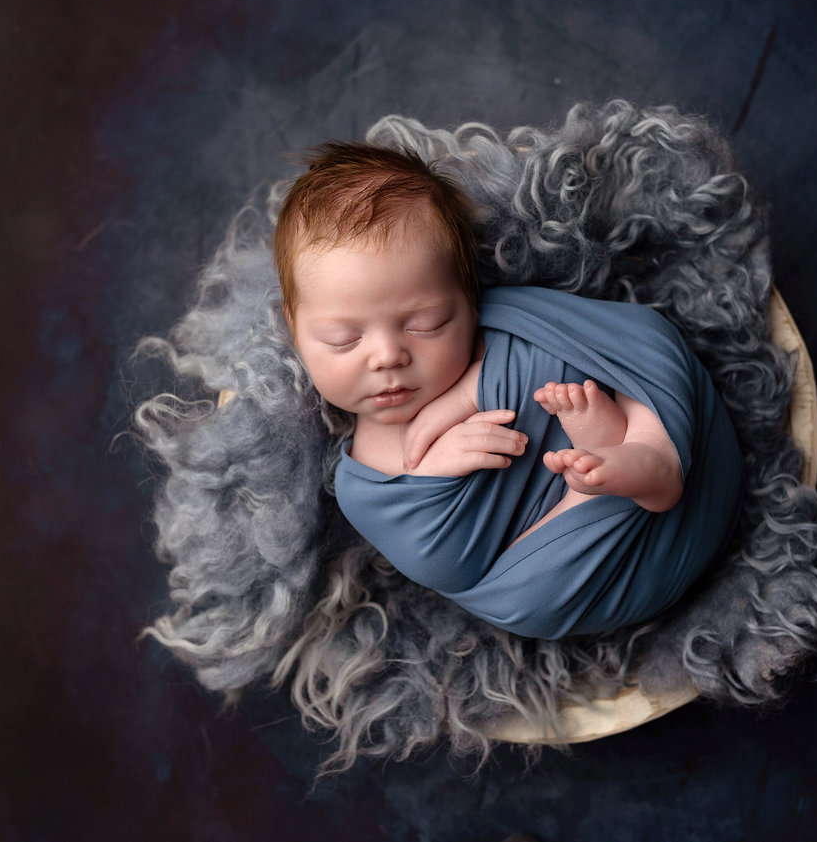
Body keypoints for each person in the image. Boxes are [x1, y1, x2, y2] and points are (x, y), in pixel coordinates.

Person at [273, 142, 743, 639]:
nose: (388, 356)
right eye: (343, 339)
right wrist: (434, 473)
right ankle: (601, 479)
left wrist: (477, 388)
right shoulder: (360, 483)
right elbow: (446, 566)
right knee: (527, 603)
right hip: (606, 571)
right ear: (295, 327)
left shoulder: (504, 324)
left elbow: (617, 338)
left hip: (697, 475)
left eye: (427, 324)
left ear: (468, 298)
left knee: (650, 338)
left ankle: (651, 451)